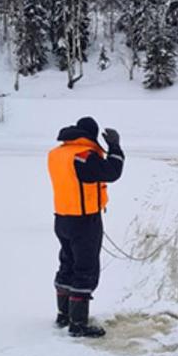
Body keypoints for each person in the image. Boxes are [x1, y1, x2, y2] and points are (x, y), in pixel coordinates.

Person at [47, 116, 124, 338]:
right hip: (84, 220)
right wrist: (116, 147)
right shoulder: (82, 156)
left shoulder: (57, 154)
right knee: (85, 270)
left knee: (67, 264)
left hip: (62, 218)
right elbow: (112, 171)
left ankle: (64, 315)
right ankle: (78, 324)